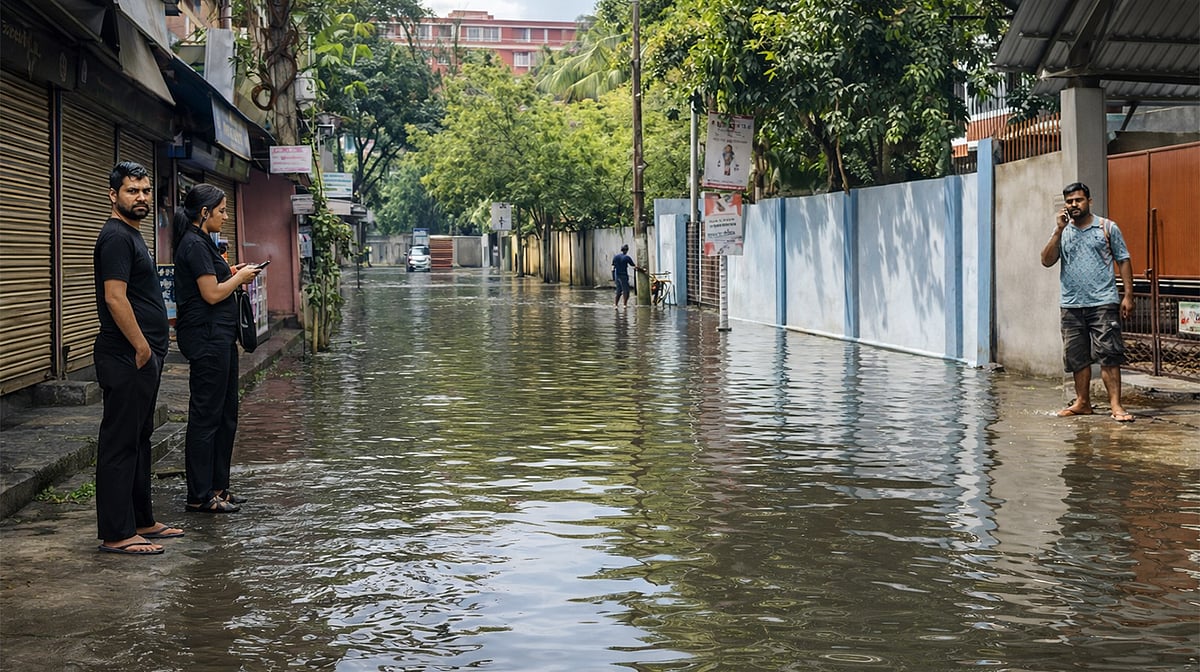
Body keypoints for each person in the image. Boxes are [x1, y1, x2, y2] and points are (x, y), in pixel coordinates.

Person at [92, 161, 183, 555]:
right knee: (120, 442)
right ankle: (116, 533)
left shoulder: (132, 235)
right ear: (114, 195)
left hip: (143, 356)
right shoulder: (115, 237)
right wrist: (142, 346)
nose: (141, 197)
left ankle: (141, 520)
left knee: (140, 439)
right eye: (132, 191)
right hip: (127, 356)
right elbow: (115, 297)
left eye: (146, 191)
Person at [172, 184, 263, 513]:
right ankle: (199, 494)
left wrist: (234, 271)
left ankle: (218, 487)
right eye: (222, 211)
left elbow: (214, 281)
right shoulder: (193, 245)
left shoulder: (204, 245)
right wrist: (238, 279)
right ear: (205, 213)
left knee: (226, 415)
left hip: (221, 338)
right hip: (206, 339)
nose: (225, 216)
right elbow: (211, 294)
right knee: (205, 417)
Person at [1040, 182, 1135, 422]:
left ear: (1089, 201)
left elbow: (1123, 259)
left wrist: (1128, 295)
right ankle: (1082, 402)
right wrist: (1058, 230)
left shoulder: (1107, 227)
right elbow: (1046, 260)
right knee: (1077, 356)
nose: (1074, 205)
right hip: (1071, 305)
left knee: (1109, 354)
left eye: (1079, 200)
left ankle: (1116, 405)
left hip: (1102, 302)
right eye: (1070, 201)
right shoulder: (1063, 231)